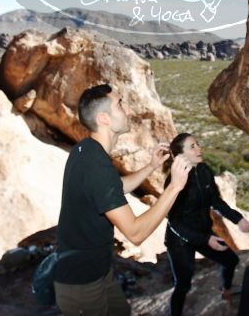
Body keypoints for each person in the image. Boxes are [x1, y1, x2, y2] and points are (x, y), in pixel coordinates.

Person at [53, 84, 192, 316]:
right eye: (120, 104)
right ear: (103, 118)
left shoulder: (86, 149)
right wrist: (174, 187)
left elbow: (113, 189)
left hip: (97, 272)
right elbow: (135, 233)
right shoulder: (96, 166)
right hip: (81, 286)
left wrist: (151, 166)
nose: (127, 108)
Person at [163, 133, 249, 316]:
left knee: (231, 260)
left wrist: (238, 219)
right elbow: (174, 222)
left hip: (204, 232)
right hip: (180, 240)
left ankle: (226, 290)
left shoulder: (203, 170)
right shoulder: (174, 182)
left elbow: (215, 201)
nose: (199, 149)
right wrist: (205, 239)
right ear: (180, 155)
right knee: (183, 285)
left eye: (198, 144)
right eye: (192, 146)